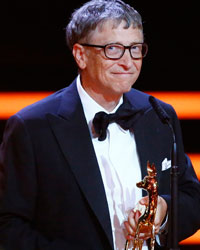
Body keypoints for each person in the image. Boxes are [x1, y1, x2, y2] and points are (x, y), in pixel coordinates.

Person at [0, 0, 200, 249]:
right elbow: (9, 227)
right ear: (80, 55)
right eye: (114, 49)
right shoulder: (32, 127)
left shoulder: (159, 115)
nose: (128, 62)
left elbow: (192, 198)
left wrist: (164, 211)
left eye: (135, 48)